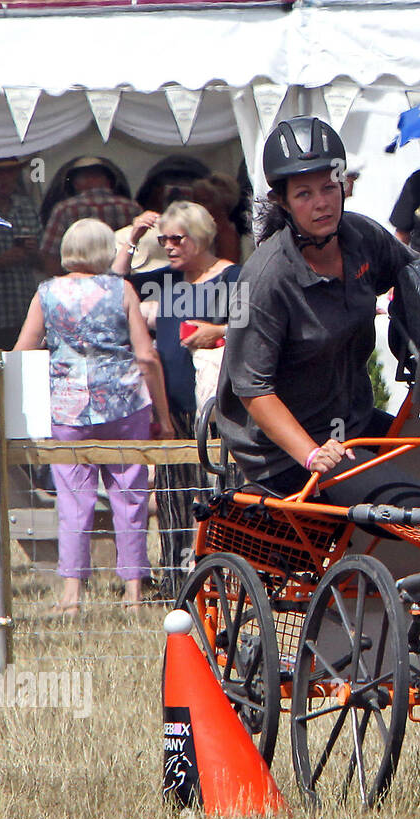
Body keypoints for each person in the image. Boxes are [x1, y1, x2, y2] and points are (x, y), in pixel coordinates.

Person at [216, 116, 420, 513]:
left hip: (351, 423)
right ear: (281, 201)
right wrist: (310, 454)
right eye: (304, 194)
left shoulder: (363, 238)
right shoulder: (266, 279)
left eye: (329, 187)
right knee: (410, 502)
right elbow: (252, 388)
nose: (321, 203)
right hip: (282, 452)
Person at [12, 218, 174, 613]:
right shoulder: (122, 290)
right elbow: (146, 356)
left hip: (68, 408)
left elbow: (21, 351)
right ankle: (134, 591)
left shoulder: (46, 293)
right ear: (104, 250)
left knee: (73, 500)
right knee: (130, 496)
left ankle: (71, 595)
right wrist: (165, 419)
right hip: (125, 405)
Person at [117, 200, 241, 597]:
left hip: (220, 404)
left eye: (177, 238)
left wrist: (216, 330)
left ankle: (232, 577)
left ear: (201, 237)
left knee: (226, 490)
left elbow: (253, 325)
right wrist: (133, 239)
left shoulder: (232, 277)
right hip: (172, 406)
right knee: (173, 494)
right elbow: (113, 286)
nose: (168, 246)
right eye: (164, 239)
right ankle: (176, 581)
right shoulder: (164, 281)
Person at [39, 157, 142, 276]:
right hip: (122, 278)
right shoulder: (132, 208)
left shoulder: (64, 209)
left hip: (80, 282)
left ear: (75, 184)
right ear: (109, 182)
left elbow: (50, 255)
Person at [0, 156, 43, 349]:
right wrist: (1, 261)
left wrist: (34, 253)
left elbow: (45, 262)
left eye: (10, 172)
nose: (6, 179)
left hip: (24, 308)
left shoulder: (27, 207)